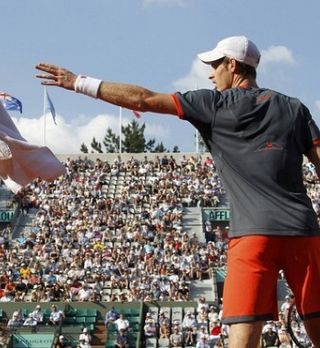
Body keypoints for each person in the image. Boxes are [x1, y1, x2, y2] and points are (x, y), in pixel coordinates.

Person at [35, 35, 320, 347]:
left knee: (242, 335)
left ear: (232, 65)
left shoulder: (212, 104)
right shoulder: (294, 108)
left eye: (214, 65)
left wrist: (79, 82)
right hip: (303, 232)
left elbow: (142, 99)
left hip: (253, 237)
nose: (211, 73)